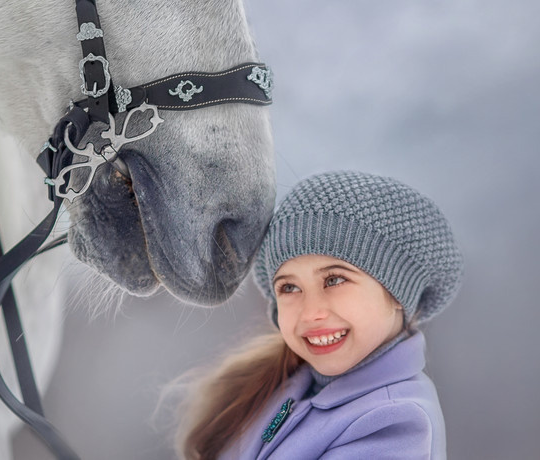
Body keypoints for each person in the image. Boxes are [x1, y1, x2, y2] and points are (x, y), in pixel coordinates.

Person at [176, 171, 464, 459]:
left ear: (397, 290)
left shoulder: (394, 421)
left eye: (335, 280)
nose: (311, 312)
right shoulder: (286, 385)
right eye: (289, 287)